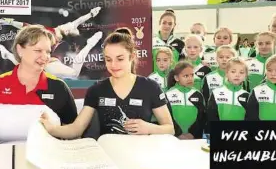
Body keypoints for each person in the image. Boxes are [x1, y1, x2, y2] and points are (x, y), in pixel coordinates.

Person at [40, 28, 175, 139]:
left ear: (132, 57)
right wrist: (51, 128)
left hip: (140, 156)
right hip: (109, 156)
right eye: (108, 59)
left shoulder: (150, 87)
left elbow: (170, 129)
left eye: (120, 59)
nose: (114, 65)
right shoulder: (97, 89)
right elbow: (76, 129)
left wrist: (149, 128)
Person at [0, 25, 78, 147]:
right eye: (38, 50)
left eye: (48, 52)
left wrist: (57, 132)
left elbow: (73, 134)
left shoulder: (59, 87)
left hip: (48, 159)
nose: (45, 57)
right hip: (1, 158)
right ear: (20, 50)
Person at [0, 31, 104, 79]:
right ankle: (7, 54)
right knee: (24, 64)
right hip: (42, 64)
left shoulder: (55, 41)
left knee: (74, 73)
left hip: (49, 64)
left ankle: (89, 45)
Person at [0, 6, 102, 51]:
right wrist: (91, 14)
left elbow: (26, 26)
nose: (70, 23)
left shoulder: (49, 33)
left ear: (67, 31)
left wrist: (8, 21)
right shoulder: (57, 39)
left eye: (70, 25)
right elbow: (79, 21)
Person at [165, 61, 206, 140]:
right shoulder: (168, 94)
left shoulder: (197, 94)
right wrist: (178, 134)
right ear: (176, 78)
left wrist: (192, 133)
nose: (190, 78)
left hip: (194, 138)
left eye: (192, 75)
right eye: (186, 76)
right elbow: (167, 117)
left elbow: (202, 117)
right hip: (174, 137)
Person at [206, 57, 249, 124]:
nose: (237, 75)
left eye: (241, 72)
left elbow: (249, 118)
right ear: (226, 73)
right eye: (233, 72)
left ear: (245, 76)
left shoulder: (247, 95)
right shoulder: (216, 93)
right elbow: (211, 115)